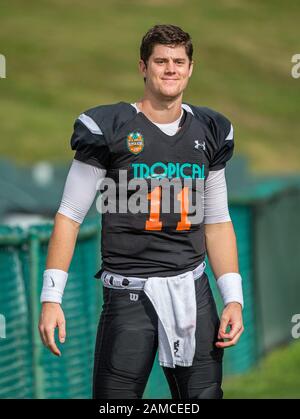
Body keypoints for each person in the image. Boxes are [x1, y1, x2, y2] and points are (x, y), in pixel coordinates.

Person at [38, 24, 244, 399]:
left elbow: (217, 221)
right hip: (129, 293)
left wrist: (233, 296)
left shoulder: (210, 129)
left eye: (178, 61)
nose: (170, 69)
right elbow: (69, 215)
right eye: (161, 61)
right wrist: (52, 298)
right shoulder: (111, 127)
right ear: (143, 67)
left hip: (193, 289)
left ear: (190, 68)